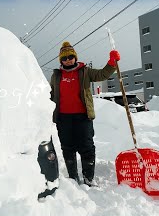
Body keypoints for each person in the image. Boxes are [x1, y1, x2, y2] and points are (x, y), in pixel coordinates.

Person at [49, 41, 120, 187]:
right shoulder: (56, 76)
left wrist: (112, 63)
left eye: (70, 56)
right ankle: (73, 178)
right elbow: (50, 95)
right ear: (61, 61)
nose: (68, 59)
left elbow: (102, 74)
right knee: (67, 148)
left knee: (86, 147)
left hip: (83, 117)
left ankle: (88, 178)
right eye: (64, 58)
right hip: (63, 118)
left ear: (75, 57)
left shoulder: (85, 71)